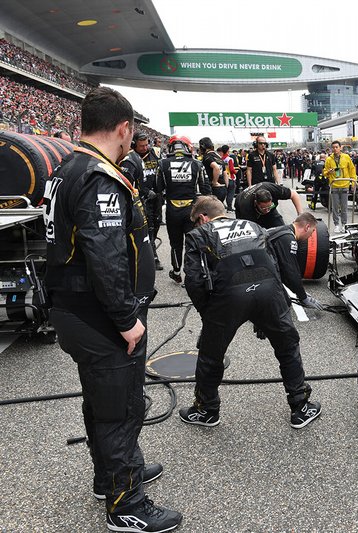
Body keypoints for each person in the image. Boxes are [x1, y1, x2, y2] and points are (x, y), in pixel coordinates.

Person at [43, 87, 182, 531]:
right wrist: (127, 321)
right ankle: (127, 505)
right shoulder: (98, 175)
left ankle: (111, 477)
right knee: (122, 408)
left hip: (78, 311)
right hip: (100, 317)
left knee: (102, 401)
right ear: (124, 128)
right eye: (132, 132)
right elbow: (105, 256)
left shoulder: (68, 165)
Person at [179, 196, 321, 429]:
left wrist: (209, 315)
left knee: (210, 354)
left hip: (229, 295)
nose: (196, 226)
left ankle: (207, 410)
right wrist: (272, 310)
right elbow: (273, 264)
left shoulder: (198, 234)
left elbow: (194, 280)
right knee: (287, 347)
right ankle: (300, 406)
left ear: (203, 218)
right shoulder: (254, 226)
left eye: (196, 221)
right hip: (269, 291)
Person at [155, 135, 211, 284]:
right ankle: (193, 274)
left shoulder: (162, 163)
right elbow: (206, 188)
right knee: (194, 242)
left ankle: (177, 271)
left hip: (172, 209)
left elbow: (158, 187)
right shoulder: (197, 164)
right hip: (192, 209)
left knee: (175, 244)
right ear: (187, 147)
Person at [264, 212, 325, 309]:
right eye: (313, 231)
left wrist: (300, 291)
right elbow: (290, 271)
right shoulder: (289, 239)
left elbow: (283, 269)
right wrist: (303, 297)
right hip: (253, 272)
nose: (311, 235)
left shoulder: (283, 230)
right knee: (282, 306)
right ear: (307, 227)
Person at [132, 131, 164, 271]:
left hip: (157, 196)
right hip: (141, 198)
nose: (144, 148)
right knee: (148, 226)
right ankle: (152, 256)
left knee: (157, 222)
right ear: (134, 145)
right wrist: (144, 192)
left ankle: (151, 247)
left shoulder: (155, 154)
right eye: (141, 146)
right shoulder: (131, 158)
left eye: (146, 145)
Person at [235, 181, 304, 230]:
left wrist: (300, 215)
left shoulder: (272, 189)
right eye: (264, 208)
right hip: (243, 207)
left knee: (281, 230)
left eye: (269, 207)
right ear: (256, 203)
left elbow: (294, 194)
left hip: (269, 210)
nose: (267, 210)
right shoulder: (245, 207)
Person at [323, 140, 356, 233]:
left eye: (337, 147)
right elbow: (324, 172)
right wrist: (328, 172)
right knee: (335, 207)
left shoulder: (346, 157)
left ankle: (344, 224)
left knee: (344, 207)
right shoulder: (329, 159)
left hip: (345, 184)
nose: (335, 149)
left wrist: (353, 183)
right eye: (333, 147)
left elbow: (352, 170)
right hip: (334, 185)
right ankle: (336, 224)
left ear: (340, 147)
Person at [199, 137, 227, 203]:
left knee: (210, 211)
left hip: (213, 189)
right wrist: (225, 186)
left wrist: (215, 182)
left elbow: (216, 168)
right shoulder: (218, 157)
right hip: (222, 188)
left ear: (203, 146)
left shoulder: (207, 156)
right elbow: (225, 173)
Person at [218, 145, 237, 211]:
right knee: (231, 193)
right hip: (230, 178)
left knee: (224, 193)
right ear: (228, 150)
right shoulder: (230, 159)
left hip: (222, 178)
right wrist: (236, 171)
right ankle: (229, 207)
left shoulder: (220, 159)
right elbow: (232, 170)